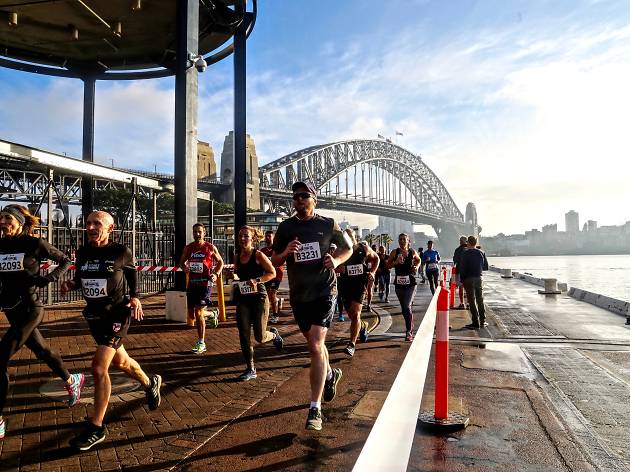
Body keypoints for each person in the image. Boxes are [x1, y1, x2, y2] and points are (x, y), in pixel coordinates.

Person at [61, 211, 161, 451]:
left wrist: (136, 297)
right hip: (95, 316)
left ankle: (97, 427)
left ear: (110, 228)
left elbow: (132, 273)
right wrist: (71, 284)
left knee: (98, 368)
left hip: (118, 314)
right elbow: (81, 278)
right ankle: (150, 384)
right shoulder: (84, 252)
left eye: (97, 223)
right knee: (122, 363)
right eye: (88, 223)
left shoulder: (120, 252)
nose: (91, 227)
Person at [271, 181, 352, 431]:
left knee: (315, 345)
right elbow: (274, 258)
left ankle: (314, 409)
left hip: (325, 291)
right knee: (315, 345)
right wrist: (286, 252)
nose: (299, 200)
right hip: (299, 295)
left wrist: (336, 260)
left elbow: (349, 248)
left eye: (304, 196)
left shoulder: (327, 224)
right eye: (295, 197)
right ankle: (329, 374)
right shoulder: (286, 227)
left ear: (314, 199)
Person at [0, 205, 84, 441]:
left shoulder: (33, 243)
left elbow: (66, 260)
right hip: (10, 308)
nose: (3, 221)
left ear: (18, 222)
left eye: (7, 218)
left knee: (1, 356)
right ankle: (71, 379)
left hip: (31, 307)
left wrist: (49, 279)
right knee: (43, 350)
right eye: (0, 218)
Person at [233, 226, 283, 381]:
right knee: (243, 334)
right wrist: (232, 275)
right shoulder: (236, 256)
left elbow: (272, 273)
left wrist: (257, 280)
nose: (242, 239)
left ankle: (274, 335)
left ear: (253, 238)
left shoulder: (258, 255)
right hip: (243, 298)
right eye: (240, 236)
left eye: (246, 236)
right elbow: (239, 275)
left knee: (260, 337)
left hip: (259, 297)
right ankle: (251, 368)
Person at [179, 223, 224, 354]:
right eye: (195, 232)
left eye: (199, 232)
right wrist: (185, 267)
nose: (197, 234)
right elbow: (181, 262)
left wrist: (215, 273)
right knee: (192, 315)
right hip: (192, 283)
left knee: (198, 313)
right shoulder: (189, 248)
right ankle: (212, 314)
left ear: (204, 233)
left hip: (206, 284)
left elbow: (220, 261)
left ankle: (201, 343)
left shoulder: (210, 247)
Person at [337, 229, 378, 357]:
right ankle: (363, 325)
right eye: (346, 237)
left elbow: (376, 259)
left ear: (355, 238)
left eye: (350, 236)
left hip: (360, 285)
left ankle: (352, 344)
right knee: (351, 314)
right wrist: (339, 267)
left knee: (355, 315)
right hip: (344, 285)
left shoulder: (363, 248)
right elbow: (332, 265)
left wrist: (372, 272)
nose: (348, 238)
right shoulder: (340, 250)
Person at [387, 234, 421, 342]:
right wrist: (395, 262)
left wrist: (416, 266)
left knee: (406, 306)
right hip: (399, 284)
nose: (402, 241)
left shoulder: (412, 252)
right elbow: (387, 266)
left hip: (410, 283)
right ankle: (409, 324)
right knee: (404, 308)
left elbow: (419, 260)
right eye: (400, 239)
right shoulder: (394, 252)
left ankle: (409, 332)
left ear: (408, 241)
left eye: (404, 239)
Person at [459, 235, 489, 330]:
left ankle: (475, 322)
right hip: (479, 278)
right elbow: (486, 267)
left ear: (468, 242)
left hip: (468, 279)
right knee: (480, 299)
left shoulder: (464, 253)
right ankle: (483, 321)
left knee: (472, 301)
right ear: (476, 243)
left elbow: (462, 268)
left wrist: (462, 280)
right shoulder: (481, 252)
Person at [259, 230, 283, 324]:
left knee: (272, 294)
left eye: (269, 236)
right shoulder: (262, 251)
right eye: (266, 236)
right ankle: (278, 301)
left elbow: (282, 259)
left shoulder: (278, 249)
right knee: (268, 296)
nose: (267, 238)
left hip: (277, 274)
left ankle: (275, 315)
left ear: (273, 237)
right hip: (267, 275)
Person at [452, 236, 468, 309]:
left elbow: (455, 260)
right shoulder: (469, 249)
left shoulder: (457, 250)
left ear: (460, 241)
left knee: (461, 287)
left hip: (459, 271)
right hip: (468, 271)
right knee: (468, 288)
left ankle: (462, 303)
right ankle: (469, 303)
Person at [364, 244, 378, 311]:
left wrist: (372, 272)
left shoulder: (373, 255)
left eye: (375, 248)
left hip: (370, 274)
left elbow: (378, 259)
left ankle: (369, 305)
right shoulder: (360, 253)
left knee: (369, 289)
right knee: (364, 290)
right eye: (373, 248)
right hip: (362, 275)